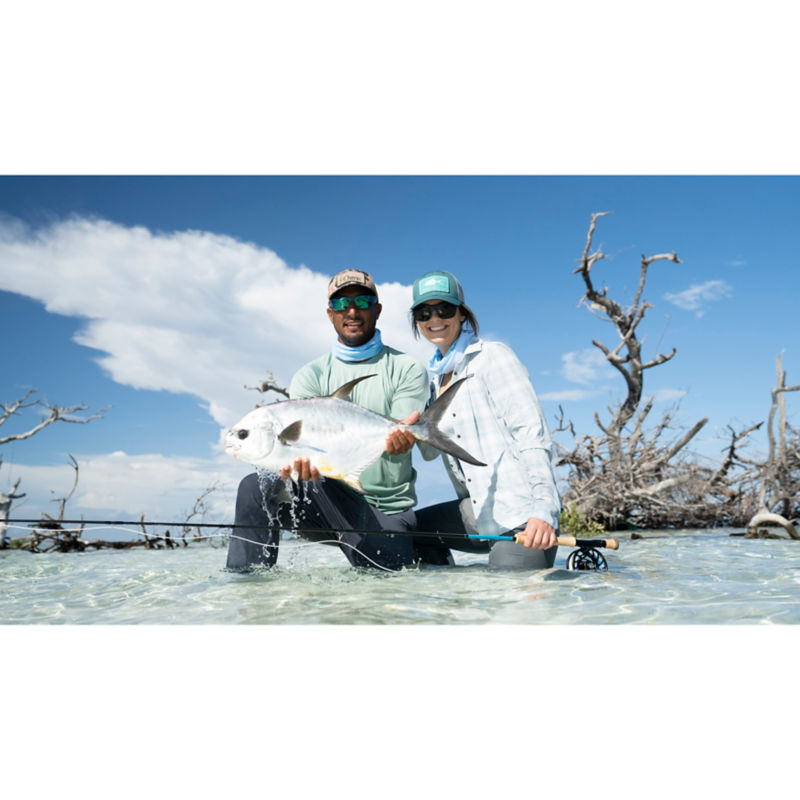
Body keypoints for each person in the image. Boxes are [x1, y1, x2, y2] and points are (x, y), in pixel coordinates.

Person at [225, 268, 429, 572]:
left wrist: (404, 437)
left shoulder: (406, 368)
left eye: (361, 302)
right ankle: (249, 590)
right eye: (340, 304)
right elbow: (300, 457)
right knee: (254, 487)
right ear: (329, 313)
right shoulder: (311, 376)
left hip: (383, 509)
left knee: (385, 587)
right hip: (322, 500)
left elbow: (403, 426)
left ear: (377, 309)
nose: (351, 311)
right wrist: (301, 471)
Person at [408, 270, 562, 569]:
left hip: (520, 516)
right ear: (417, 321)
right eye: (424, 312)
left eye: (445, 309)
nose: (434, 318)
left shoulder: (494, 357)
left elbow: (531, 435)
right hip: (478, 512)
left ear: (462, 314)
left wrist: (543, 512)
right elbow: (429, 453)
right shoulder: (432, 382)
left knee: (507, 603)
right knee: (407, 533)